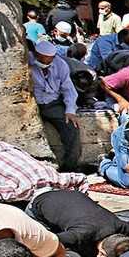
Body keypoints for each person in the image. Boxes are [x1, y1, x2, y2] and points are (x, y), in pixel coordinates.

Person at [29, 188, 129, 257]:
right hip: (40, 202)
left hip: (71, 194)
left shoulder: (121, 227)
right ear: (102, 253)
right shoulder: (78, 236)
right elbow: (43, 242)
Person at [0, 139, 88, 205]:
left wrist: (81, 198)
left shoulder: (57, 179)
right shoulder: (18, 190)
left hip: (6, 152)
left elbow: (82, 179)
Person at [26, 38, 84, 172]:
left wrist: (70, 110)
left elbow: (68, 89)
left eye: (49, 59)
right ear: (36, 55)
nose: (46, 62)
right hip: (31, 104)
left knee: (71, 128)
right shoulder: (27, 61)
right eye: (42, 59)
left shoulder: (60, 64)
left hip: (53, 104)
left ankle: (70, 167)